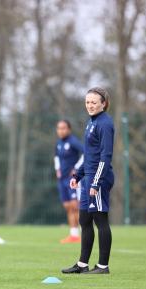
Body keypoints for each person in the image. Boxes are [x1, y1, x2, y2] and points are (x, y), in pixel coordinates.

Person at [61, 87, 114, 275]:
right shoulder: (91, 123)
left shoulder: (105, 124)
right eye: (87, 102)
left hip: (99, 179)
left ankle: (102, 266)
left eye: (94, 102)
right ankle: (82, 264)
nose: (90, 105)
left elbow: (105, 156)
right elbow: (89, 155)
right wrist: (78, 175)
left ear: (103, 104)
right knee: (84, 219)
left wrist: (95, 183)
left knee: (100, 220)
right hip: (89, 178)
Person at [54, 120, 83, 243]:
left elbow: (86, 153)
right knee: (68, 207)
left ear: (69, 129)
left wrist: (76, 168)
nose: (61, 131)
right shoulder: (59, 143)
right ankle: (73, 235)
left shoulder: (73, 141)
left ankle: (84, 233)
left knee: (75, 206)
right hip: (62, 179)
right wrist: (57, 169)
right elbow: (56, 157)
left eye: (64, 128)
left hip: (72, 179)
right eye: (59, 128)